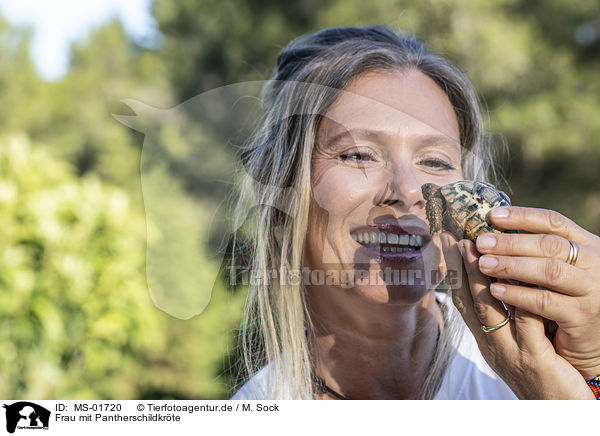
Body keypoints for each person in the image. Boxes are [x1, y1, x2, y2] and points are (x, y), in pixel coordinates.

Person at [230, 25, 600, 400]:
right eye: (358, 155)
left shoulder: (548, 357)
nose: (407, 190)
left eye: (435, 162)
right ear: (279, 196)